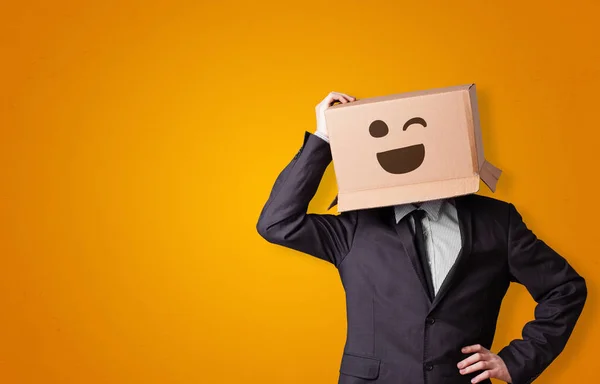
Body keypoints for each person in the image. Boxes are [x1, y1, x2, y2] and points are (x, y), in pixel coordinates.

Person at [256, 92, 587, 384]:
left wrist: (517, 361)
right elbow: (277, 223)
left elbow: (565, 288)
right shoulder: (356, 227)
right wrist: (325, 137)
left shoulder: (496, 222)